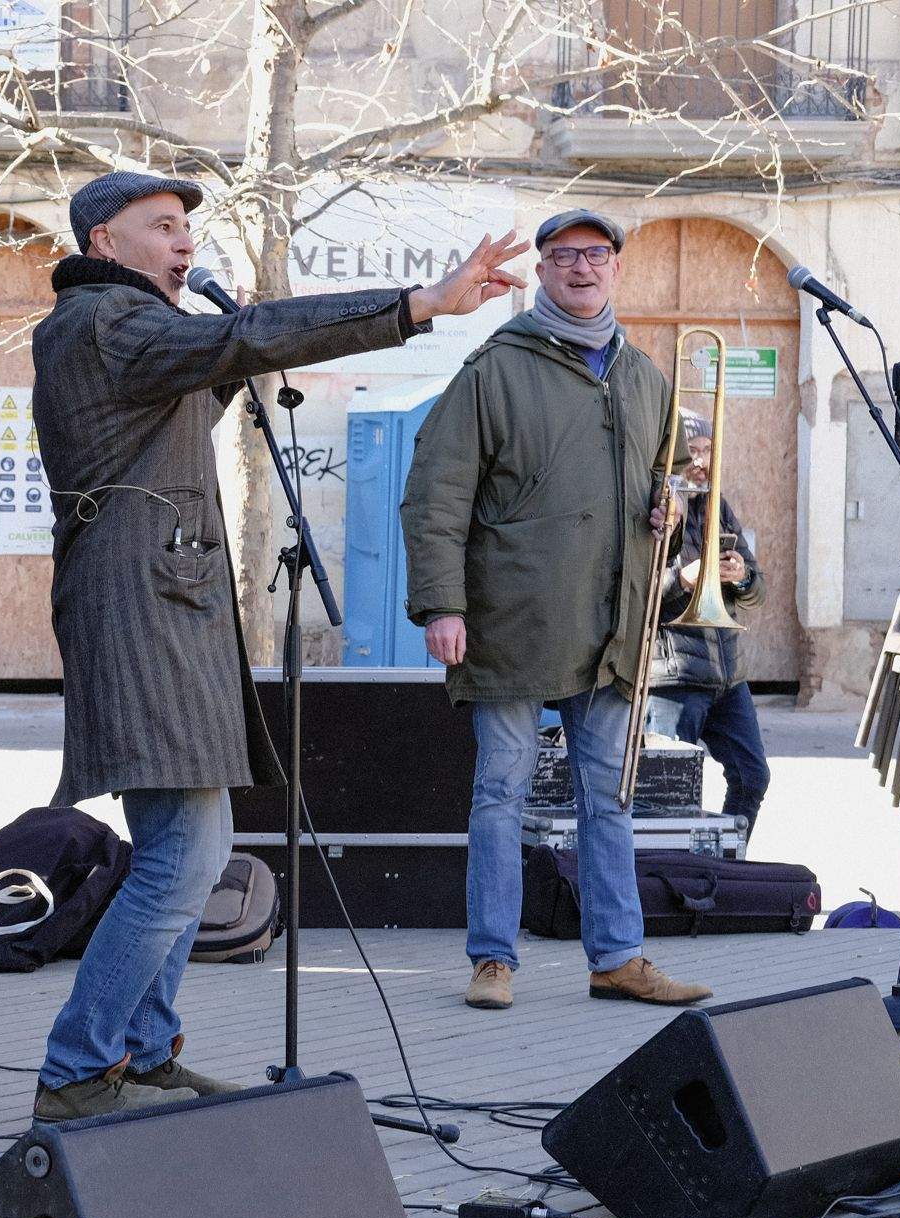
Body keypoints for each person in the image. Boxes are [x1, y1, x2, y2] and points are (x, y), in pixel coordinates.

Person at [27, 169, 526, 1121]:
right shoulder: (103, 322)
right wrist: (416, 305)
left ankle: (141, 1051)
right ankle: (77, 1070)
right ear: (104, 244)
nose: (183, 243)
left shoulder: (133, 333)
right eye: (161, 226)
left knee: (196, 848)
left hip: (167, 608)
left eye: (185, 228)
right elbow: (243, 339)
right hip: (141, 613)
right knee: (180, 855)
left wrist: (226, 357)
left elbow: (188, 395)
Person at [401, 208, 712, 1013]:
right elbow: (435, 494)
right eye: (563, 256)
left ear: (615, 270)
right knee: (501, 792)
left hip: (611, 627)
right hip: (510, 622)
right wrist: (441, 602)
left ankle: (617, 957)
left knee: (608, 798)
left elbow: (669, 482)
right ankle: (493, 959)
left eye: (596, 255)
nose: (581, 268)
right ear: (540, 272)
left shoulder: (645, 377)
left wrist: (666, 512)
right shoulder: (493, 369)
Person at [647, 409, 770, 836]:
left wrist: (743, 576)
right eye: (691, 452)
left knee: (753, 777)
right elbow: (633, 600)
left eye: (706, 451)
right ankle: (668, 883)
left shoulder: (716, 506)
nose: (700, 461)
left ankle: (721, 867)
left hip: (726, 677)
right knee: (668, 798)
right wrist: (683, 579)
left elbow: (757, 590)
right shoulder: (652, 509)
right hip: (672, 678)